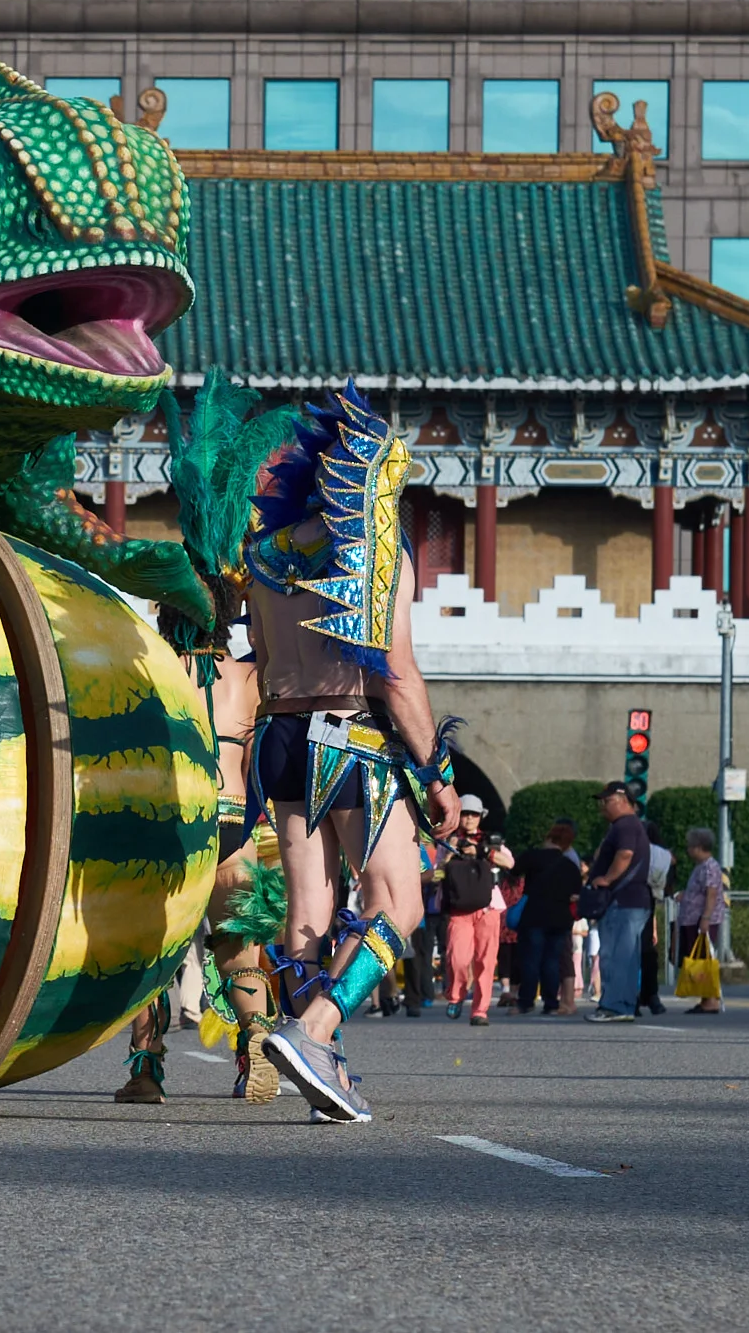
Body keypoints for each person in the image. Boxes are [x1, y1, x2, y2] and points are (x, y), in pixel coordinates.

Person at [236, 391, 461, 1123]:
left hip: (282, 737)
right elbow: (395, 675)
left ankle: (320, 1069)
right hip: (348, 737)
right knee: (398, 900)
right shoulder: (370, 549)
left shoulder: (264, 555)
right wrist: (438, 774)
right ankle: (314, 1033)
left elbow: (262, 663)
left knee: (308, 913)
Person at [437, 800, 512, 1024]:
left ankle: (480, 1011)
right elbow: (438, 870)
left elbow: (509, 862)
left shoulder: (491, 841)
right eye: (465, 814)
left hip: (488, 907)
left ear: (481, 816)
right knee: (457, 958)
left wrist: (483, 851)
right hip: (459, 907)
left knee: (485, 962)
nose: (469, 819)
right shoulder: (449, 842)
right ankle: (457, 995)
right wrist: (452, 851)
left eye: (474, 814)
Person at [585, 783, 655, 1023]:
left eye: (606, 801)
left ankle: (613, 1006)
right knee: (627, 955)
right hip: (633, 901)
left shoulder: (624, 825)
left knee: (614, 954)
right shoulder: (632, 825)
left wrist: (607, 878)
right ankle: (624, 1004)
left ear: (622, 800)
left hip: (622, 901)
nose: (602, 807)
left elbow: (625, 854)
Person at [513, 821, 587, 1015]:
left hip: (534, 916)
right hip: (560, 919)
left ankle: (525, 1002)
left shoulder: (532, 857)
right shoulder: (570, 866)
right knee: (552, 961)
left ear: (549, 838)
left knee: (530, 959)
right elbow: (576, 892)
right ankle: (551, 1002)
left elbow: (513, 872)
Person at [676, 826, 728, 1013]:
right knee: (698, 958)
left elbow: (711, 894)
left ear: (699, 847)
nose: (688, 850)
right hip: (692, 919)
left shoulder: (710, 867)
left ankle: (710, 999)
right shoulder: (700, 867)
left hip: (702, 920)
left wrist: (705, 918)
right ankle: (705, 997)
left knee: (704, 959)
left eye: (690, 846)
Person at [637, 821, 674, 1016]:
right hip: (648, 904)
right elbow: (668, 888)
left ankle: (637, 996)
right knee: (647, 954)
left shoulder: (637, 852)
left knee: (632, 953)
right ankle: (650, 995)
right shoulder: (663, 856)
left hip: (634, 904)